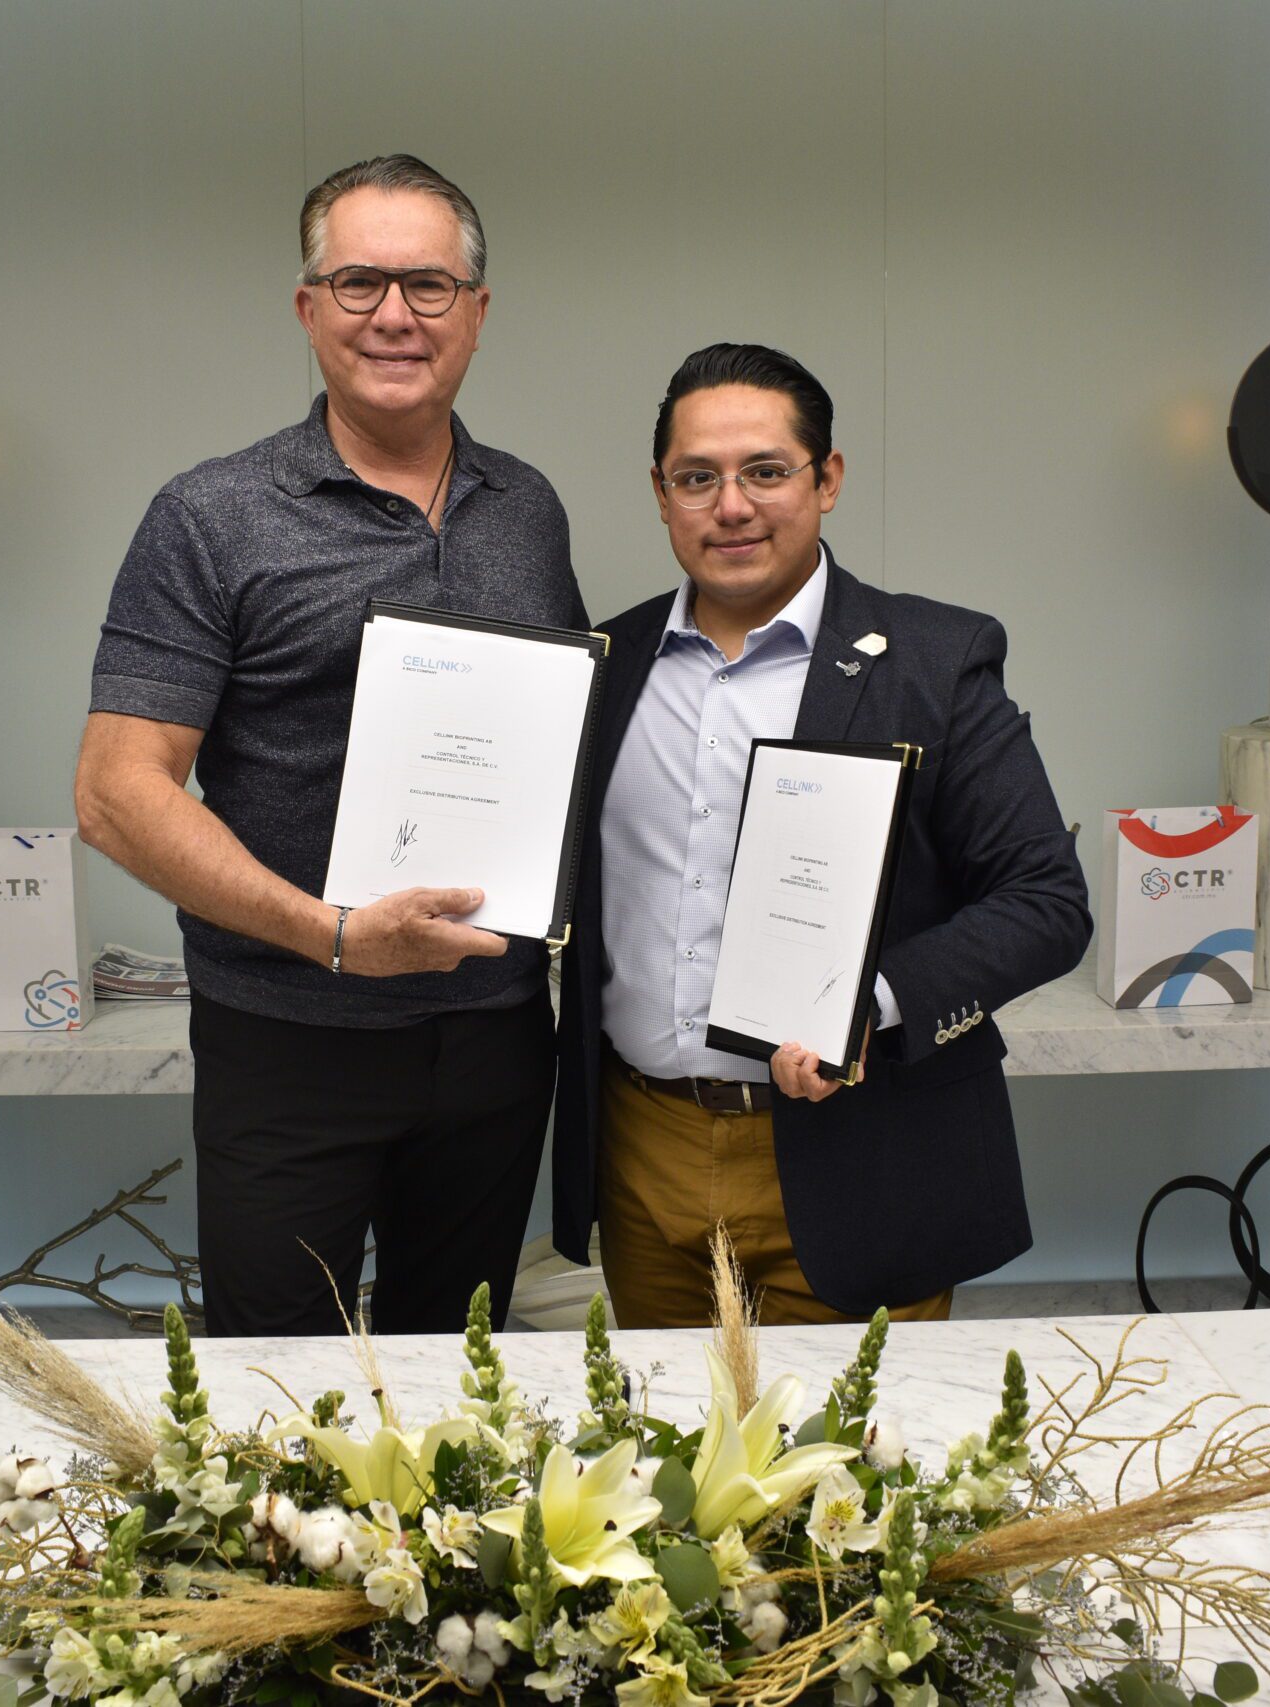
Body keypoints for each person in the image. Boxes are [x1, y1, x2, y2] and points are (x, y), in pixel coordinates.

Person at [76, 155, 584, 1337]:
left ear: (478, 312)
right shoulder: (211, 514)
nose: (394, 315)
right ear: (308, 309)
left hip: (495, 1035)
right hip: (290, 1038)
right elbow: (114, 793)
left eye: (428, 284)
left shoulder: (530, 508)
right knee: (278, 1402)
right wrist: (338, 936)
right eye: (357, 283)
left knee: (460, 1385)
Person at [552, 343, 1093, 1327]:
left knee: (853, 1473)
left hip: (857, 1153)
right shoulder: (602, 663)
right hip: (641, 1157)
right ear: (660, 493)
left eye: (765, 471)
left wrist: (867, 1006)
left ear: (826, 478)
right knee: (671, 1471)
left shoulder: (934, 660)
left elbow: (1045, 904)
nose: (731, 506)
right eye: (697, 478)